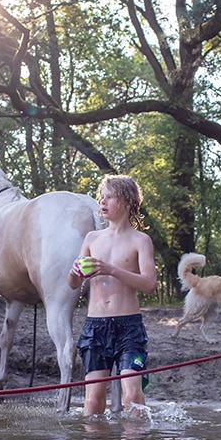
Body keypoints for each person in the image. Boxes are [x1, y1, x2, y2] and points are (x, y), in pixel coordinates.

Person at [67, 175, 157, 417]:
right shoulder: (92, 238)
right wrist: (75, 271)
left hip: (129, 328)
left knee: (132, 397)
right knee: (93, 401)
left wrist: (112, 270)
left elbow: (149, 285)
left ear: (127, 201)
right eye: (101, 197)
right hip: (95, 327)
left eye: (110, 197)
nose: (102, 202)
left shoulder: (141, 240)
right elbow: (73, 283)